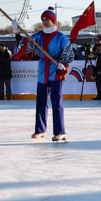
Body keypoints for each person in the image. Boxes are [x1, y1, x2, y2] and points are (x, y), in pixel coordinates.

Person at [28, 8, 74, 140]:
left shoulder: (61, 37)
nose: (45, 22)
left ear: (53, 20)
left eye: (47, 19)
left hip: (56, 72)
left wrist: (63, 64)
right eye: (43, 20)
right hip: (43, 71)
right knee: (41, 101)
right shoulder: (38, 36)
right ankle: (40, 130)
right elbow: (27, 46)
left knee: (56, 101)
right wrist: (17, 34)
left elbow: (69, 55)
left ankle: (60, 131)